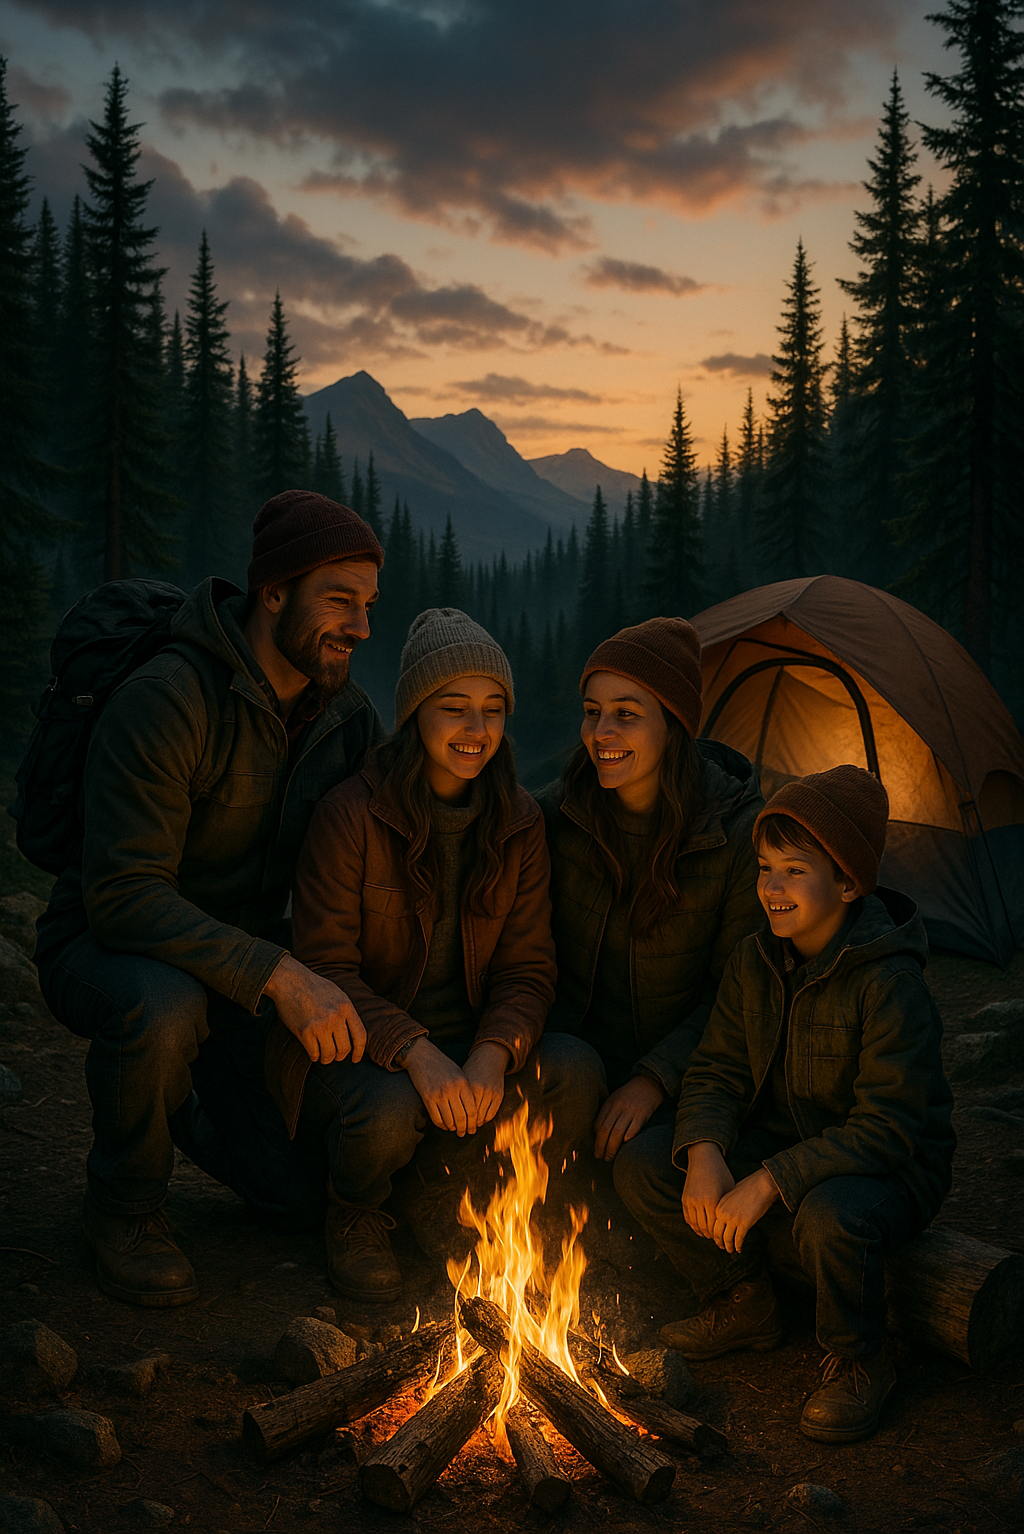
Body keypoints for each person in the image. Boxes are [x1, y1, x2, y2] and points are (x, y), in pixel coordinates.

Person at [34, 491, 386, 1307]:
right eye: (339, 600)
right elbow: (123, 894)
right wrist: (284, 977)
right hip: (106, 947)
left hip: (239, 976)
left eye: (369, 606)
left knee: (294, 1199)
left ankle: (176, 1102)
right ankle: (124, 1209)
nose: (360, 628)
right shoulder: (169, 698)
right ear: (273, 592)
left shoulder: (348, 718)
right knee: (162, 1008)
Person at [618, 765, 956, 1443]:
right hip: (779, 1142)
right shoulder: (755, 960)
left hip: (887, 1171)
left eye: (793, 871)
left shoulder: (890, 982)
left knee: (831, 1216)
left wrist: (771, 1180)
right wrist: (708, 1153)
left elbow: (887, 1128)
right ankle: (744, 1297)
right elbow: (716, 1067)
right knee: (649, 1160)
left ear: (849, 883)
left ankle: (861, 1360)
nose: (770, 889)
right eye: (765, 868)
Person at [278, 608, 602, 1302]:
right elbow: (326, 969)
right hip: (360, 1045)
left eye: (493, 710)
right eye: (454, 708)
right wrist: (417, 1053)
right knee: (392, 1107)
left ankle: (441, 1195)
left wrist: (492, 1052)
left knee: (574, 1070)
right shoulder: (351, 815)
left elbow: (527, 967)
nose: (476, 731)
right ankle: (357, 1212)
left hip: (467, 1043)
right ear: (415, 714)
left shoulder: (518, 822)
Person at [536, 617, 764, 1175]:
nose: (600, 732)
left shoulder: (736, 834)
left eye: (627, 715)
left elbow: (733, 994)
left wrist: (653, 1079)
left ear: (674, 725)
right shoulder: (557, 814)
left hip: (686, 1071)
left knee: (650, 1163)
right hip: (576, 1063)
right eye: (592, 711)